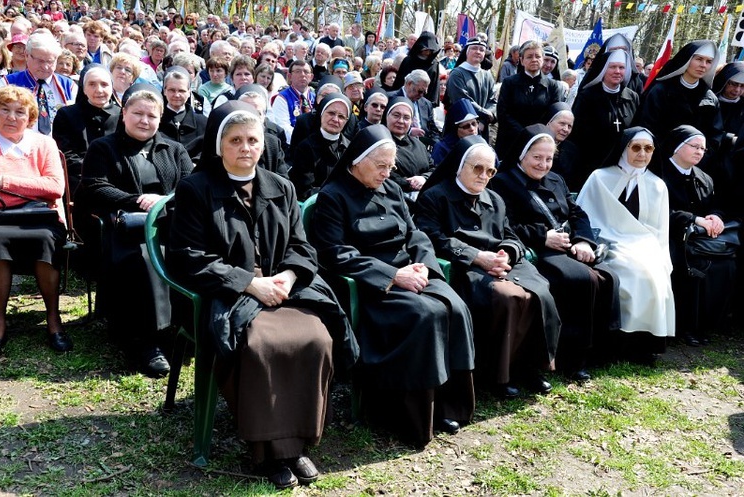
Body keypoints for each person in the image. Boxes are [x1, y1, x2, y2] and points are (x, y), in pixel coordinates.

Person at [167, 101, 358, 489]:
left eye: (252, 139)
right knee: (259, 344)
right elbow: (187, 255)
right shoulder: (195, 189)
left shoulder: (281, 187)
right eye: (235, 140)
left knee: (316, 337)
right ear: (219, 145)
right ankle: (267, 450)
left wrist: (287, 277)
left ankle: (296, 443)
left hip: (285, 289)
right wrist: (249, 283)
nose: (245, 147)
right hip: (230, 294)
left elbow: (303, 248)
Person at [312, 124, 475, 447]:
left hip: (411, 270)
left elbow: (415, 233)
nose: (387, 173)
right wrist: (392, 275)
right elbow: (336, 253)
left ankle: (447, 405)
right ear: (357, 161)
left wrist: (425, 266)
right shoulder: (333, 197)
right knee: (425, 315)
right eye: (381, 166)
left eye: (391, 166)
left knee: (456, 307)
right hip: (373, 286)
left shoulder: (391, 189)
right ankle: (407, 416)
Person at [415, 135, 560, 396]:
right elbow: (431, 238)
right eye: (477, 168)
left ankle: (529, 368)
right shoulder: (435, 197)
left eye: (490, 170)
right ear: (460, 166)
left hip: (501, 261)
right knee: (508, 297)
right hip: (465, 266)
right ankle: (498, 375)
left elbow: (509, 235)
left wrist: (508, 253)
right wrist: (475, 256)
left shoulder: (495, 199)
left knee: (540, 293)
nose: (484, 176)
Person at [76, 83, 194, 376]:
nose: (144, 120)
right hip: (126, 229)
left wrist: (164, 202)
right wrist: (137, 201)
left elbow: (192, 187)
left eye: (151, 116)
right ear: (124, 113)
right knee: (145, 259)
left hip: (170, 224)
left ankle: (186, 328)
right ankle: (148, 340)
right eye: (138, 113)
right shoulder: (102, 148)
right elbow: (94, 187)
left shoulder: (174, 149)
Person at [491, 125, 620, 378]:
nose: (543, 164)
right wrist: (542, 237)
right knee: (580, 278)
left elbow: (576, 213)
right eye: (537, 157)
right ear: (522, 154)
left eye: (549, 158)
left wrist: (584, 241)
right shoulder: (502, 183)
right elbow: (503, 225)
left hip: (567, 245)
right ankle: (567, 358)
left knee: (608, 277)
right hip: (535, 250)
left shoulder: (556, 179)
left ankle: (596, 352)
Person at [577, 127, 675, 364]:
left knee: (656, 273)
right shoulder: (600, 178)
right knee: (631, 271)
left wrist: (662, 256)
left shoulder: (657, 185)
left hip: (645, 243)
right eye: (636, 147)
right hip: (607, 242)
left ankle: (646, 345)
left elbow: (661, 229)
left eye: (648, 148)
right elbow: (583, 216)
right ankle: (619, 344)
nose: (642, 154)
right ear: (624, 148)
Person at [0, 86, 72, 359]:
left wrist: (4, 183)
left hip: (42, 218)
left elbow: (54, 188)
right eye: (4, 109)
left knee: (44, 239)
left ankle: (54, 320)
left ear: (30, 118)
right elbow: (42, 187)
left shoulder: (43, 143)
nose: (11, 117)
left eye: (19, 112)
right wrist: (30, 190)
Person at [658, 125, 735, 347]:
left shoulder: (704, 177)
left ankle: (705, 324)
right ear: (677, 147)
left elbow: (716, 205)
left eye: (703, 148)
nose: (700, 152)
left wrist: (715, 216)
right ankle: (683, 326)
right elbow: (658, 211)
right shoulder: (659, 173)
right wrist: (693, 219)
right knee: (687, 265)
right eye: (695, 147)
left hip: (699, 239)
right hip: (669, 235)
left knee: (725, 266)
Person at [636, 40, 724, 170]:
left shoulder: (710, 98)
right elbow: (647, 126)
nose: (703, 65)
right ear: (687, 59)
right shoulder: (661, 91)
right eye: (699, 59)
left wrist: (699, 158)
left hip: (693, 166)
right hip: (659, 163)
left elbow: (715, 135)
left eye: (709, 61)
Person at [570, 49, 639, 188]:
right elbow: (577, 134)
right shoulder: (587, 96)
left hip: (622, 165)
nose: (617, 71)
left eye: (621, 67)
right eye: (612, 67)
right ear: (603, 69)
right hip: (591, 164)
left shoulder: (632, 97)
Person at [53, 64, 120, 193]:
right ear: (83, 89)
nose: (99, 90)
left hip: (117, 179)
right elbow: (66, 153)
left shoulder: (124, 115)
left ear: (112, 87)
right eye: (92, 84)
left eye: (104, 84)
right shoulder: (66, 115)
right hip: (79, 180)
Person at [0, 32, 77, 135]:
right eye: (40, 61)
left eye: (50, 61)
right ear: (27, 55)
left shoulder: (69, 86)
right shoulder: (7, 83)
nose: (45, 67)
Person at [495, 40, 564, 157]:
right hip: (510, 139)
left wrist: (535, 134)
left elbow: (553, 116)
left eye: (538, 56)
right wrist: (523, 133)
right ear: (522, 60)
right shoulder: (509, 83)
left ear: (542, 59)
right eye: (529, 57)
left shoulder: (553, 86)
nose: (534, 59)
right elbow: (503, 112)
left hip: (539, 141)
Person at [289, 93, 352, 200]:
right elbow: (304, 190)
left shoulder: (350, 148)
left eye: (341, 116)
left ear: (346, 121)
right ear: (321, 114)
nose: (335, 119)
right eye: (331, 113)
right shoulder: (306, 147)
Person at [382, 96, 435, 202]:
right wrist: (409, 184)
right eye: (396, 115)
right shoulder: (379, 143)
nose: (401, 121)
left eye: (406, 118)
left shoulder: (419, 145)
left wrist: (424, 178)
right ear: (386, 116)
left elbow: (433, 168)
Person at [445, 39, 497, 142]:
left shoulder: (487, 75)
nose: (478, 52)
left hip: (482, 128)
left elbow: (492, 101)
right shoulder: (457, 74)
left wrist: (482, 121)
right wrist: (485, 115)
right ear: (467, 52)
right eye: (474, 48)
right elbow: (462, 101)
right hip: (461, 126)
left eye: (482, 50)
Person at [158, 67, 207, 162]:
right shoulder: (155, 121)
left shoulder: (203, 122)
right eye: (172, 90)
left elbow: (207, 150)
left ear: (189, 92)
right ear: (164, 91)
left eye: (181, 91)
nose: (176, 95)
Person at [268, 60, 314, 144]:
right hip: (292, 145)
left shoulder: (315, 97)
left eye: (306, 72)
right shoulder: (282, 98)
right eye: (298, 71)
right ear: (289, 76)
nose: (303, 74)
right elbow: (282, 126)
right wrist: (306, 141)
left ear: (311, 77)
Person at [392, 31, 441, 105]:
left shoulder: (434, 64)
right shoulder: (408, 61)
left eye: (430, 51)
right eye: (425, 50)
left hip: (425, 103)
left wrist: (431, 105)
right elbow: (399, 82)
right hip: (404, 100)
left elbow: (434, 87)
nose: (427, 53)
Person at [540, 103, 580, 190]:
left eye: (569, 126)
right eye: (562, 124)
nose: (566, 129)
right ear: (549, 122)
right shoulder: (534, 143)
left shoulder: (572, 150)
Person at [431, 98, 479, 165]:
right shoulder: (441, 148)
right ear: (456, 129)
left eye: (474, 124)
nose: (472, 129)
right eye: (466, 126)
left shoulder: (482, 145)